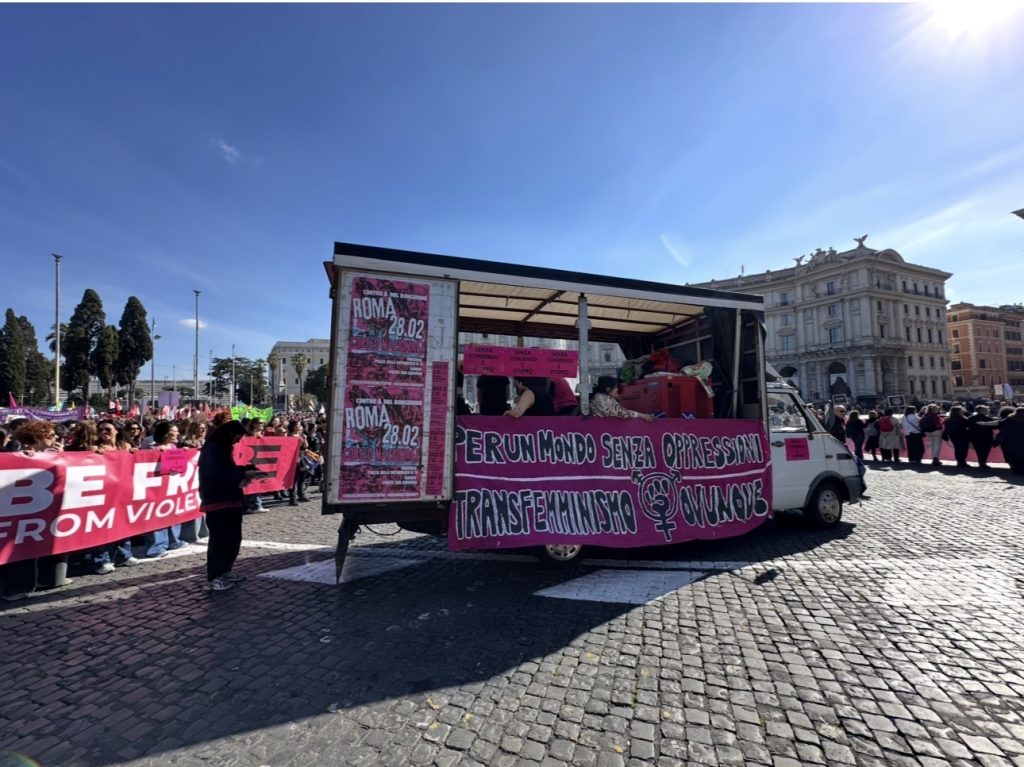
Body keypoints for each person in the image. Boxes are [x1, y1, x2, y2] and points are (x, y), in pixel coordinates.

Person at [199, 420, 259, 592]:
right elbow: (218, 476)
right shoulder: (212, 449)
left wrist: (245, 470)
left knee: (233, 538)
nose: (238, 441)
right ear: (229, 435)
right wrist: (242, 473)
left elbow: (227, 471)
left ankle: (225, 570)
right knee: (220, 540)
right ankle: (214, 577)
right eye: (237, 437)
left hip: (230, 499)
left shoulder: (222, 449)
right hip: (217, 500)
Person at [589, 376, 655, 422]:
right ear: (608, 389)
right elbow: (622, 413)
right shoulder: (604, 398)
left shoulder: (597, 396)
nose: (617, 389)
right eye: (615, 387)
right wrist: (642, 415)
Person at [994, 406, 1024, 474]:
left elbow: (998, 424)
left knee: (1010, 455)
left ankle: (1015, 468)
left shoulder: (1008, 420)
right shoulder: (1009, 420)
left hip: (1009, 442)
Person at [967, 405, 997, 470]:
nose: (987, 411)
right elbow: (994, 426)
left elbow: (968, 427)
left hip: (975, 437)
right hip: (986, 437)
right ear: (981, 410)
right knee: (985, 451)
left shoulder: (971, 418)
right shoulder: (988, 418)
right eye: (986, 410)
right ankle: (983, 462)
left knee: (979, 450)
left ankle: (981, 462)